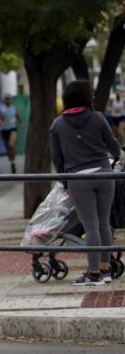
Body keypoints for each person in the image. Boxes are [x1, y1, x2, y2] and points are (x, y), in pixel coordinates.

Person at [50, 80, 121, 286]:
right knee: (104, 223)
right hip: (104, 174)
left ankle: (93, 272)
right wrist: (113, 157)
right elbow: (114, 147)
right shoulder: (98, 118)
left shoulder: (57, 125)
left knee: (90, 226)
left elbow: (58, 160)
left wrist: (65, 182)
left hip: (78, 178)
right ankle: (106, 270)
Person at [0, 95, 21, 173]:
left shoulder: (14, 108)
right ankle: (12, 163)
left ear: (11, 100)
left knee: (11, 145)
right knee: (8, 148)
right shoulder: (0, 108)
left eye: (9, 99)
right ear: (4, 100)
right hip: (4, 130)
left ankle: (13, 162)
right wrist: (0, 118)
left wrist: (21, 122)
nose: (7, 101)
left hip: (12, 129)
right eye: (6, 99)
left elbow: (18, 117)